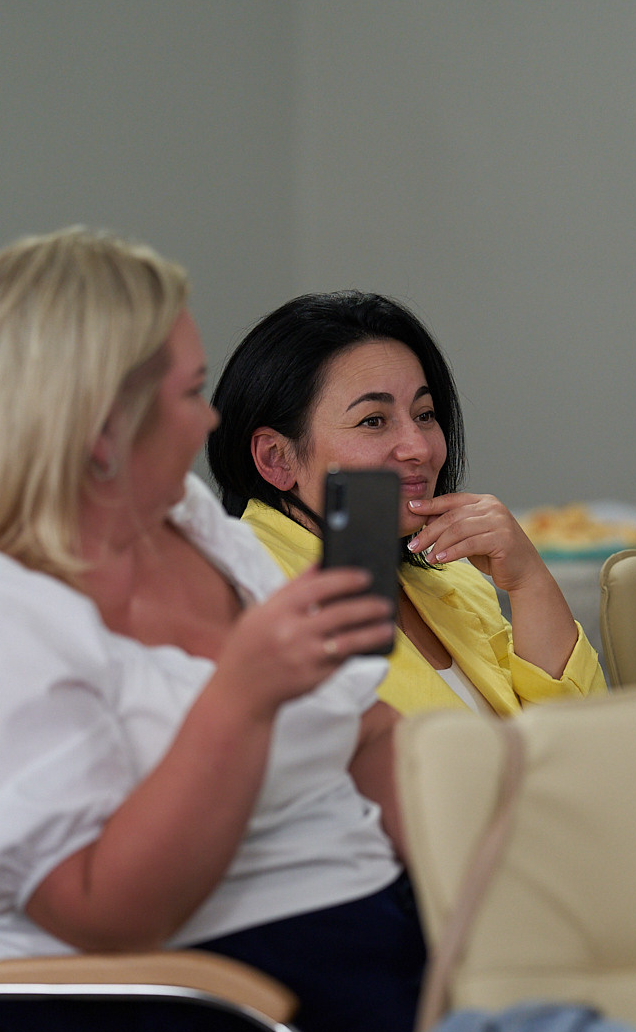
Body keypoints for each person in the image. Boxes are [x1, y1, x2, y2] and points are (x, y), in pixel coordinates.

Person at [0, 229, 426, 1032]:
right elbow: (103, 910)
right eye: (191, 393)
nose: (210, 425)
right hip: (186, 1029)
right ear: (100, 429)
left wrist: (504, 877)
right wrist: (239, 696)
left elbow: (361, 732)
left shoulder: (192, 525)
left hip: (360, 966)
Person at [206, 291, 604, 717]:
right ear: (276, 458)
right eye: (373, 421)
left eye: (425, 415)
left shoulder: (449, 574)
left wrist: (529, 581)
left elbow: (581, 746)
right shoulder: (246, 591)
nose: (417, 447)